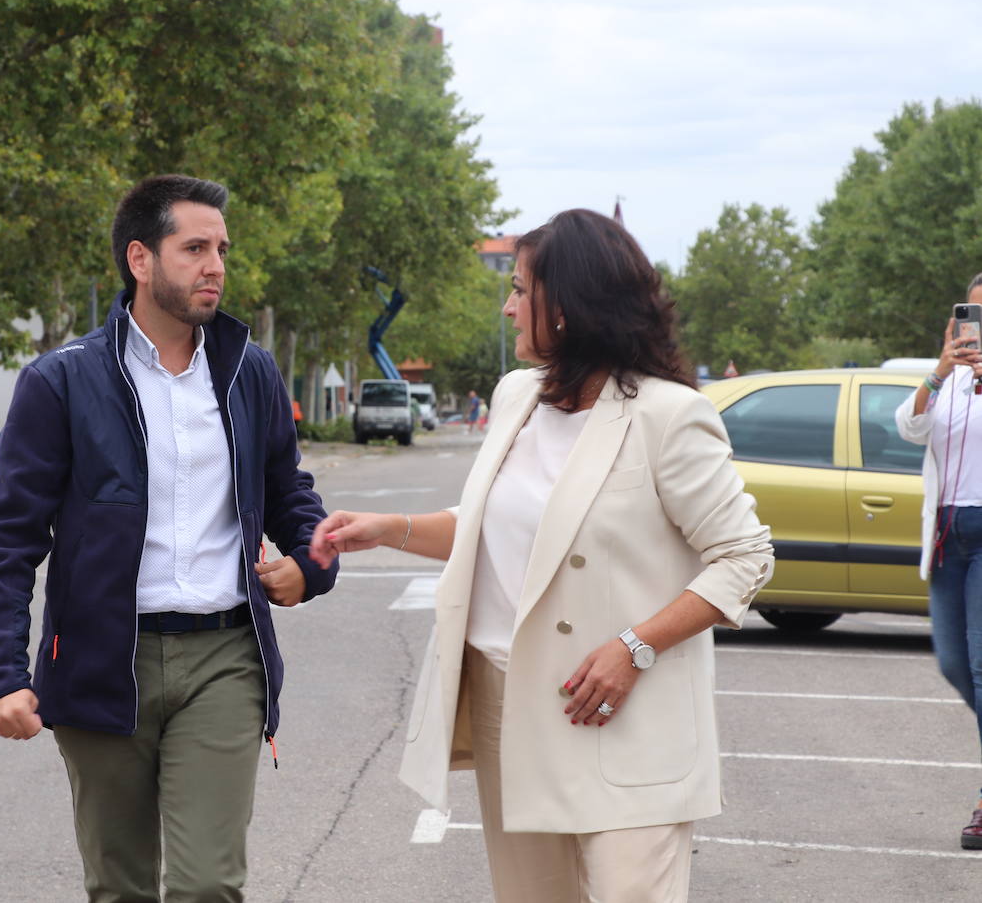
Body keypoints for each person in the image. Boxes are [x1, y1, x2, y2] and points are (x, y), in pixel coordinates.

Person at [310, 209, 773, 902]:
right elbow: (497, 528)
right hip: (511, 705)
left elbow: (745, 557)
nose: (507, 306)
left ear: (568, 306)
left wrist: (635, 648)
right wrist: (388, 528)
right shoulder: (517, 395)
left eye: (521, 290)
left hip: (621, 714)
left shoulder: (668, 415)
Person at [0, 174, 338, 902]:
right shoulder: (61, 383)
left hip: (225, 659)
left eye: (222, 249)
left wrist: (307, 562)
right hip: (103, 663)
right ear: (140, 260)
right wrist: (2, 675)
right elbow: (10, 539)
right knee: (120, 887)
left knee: (208, 886)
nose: (216, 266)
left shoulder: (249, 374)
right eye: (194, 247)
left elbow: (287, 491)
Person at [894, 272, 982, 851]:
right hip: (948, 535)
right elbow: (908, 426)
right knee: (953, 664)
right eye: (973, 314)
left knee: (981, 667)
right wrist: (940, 371)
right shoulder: (946, 379)